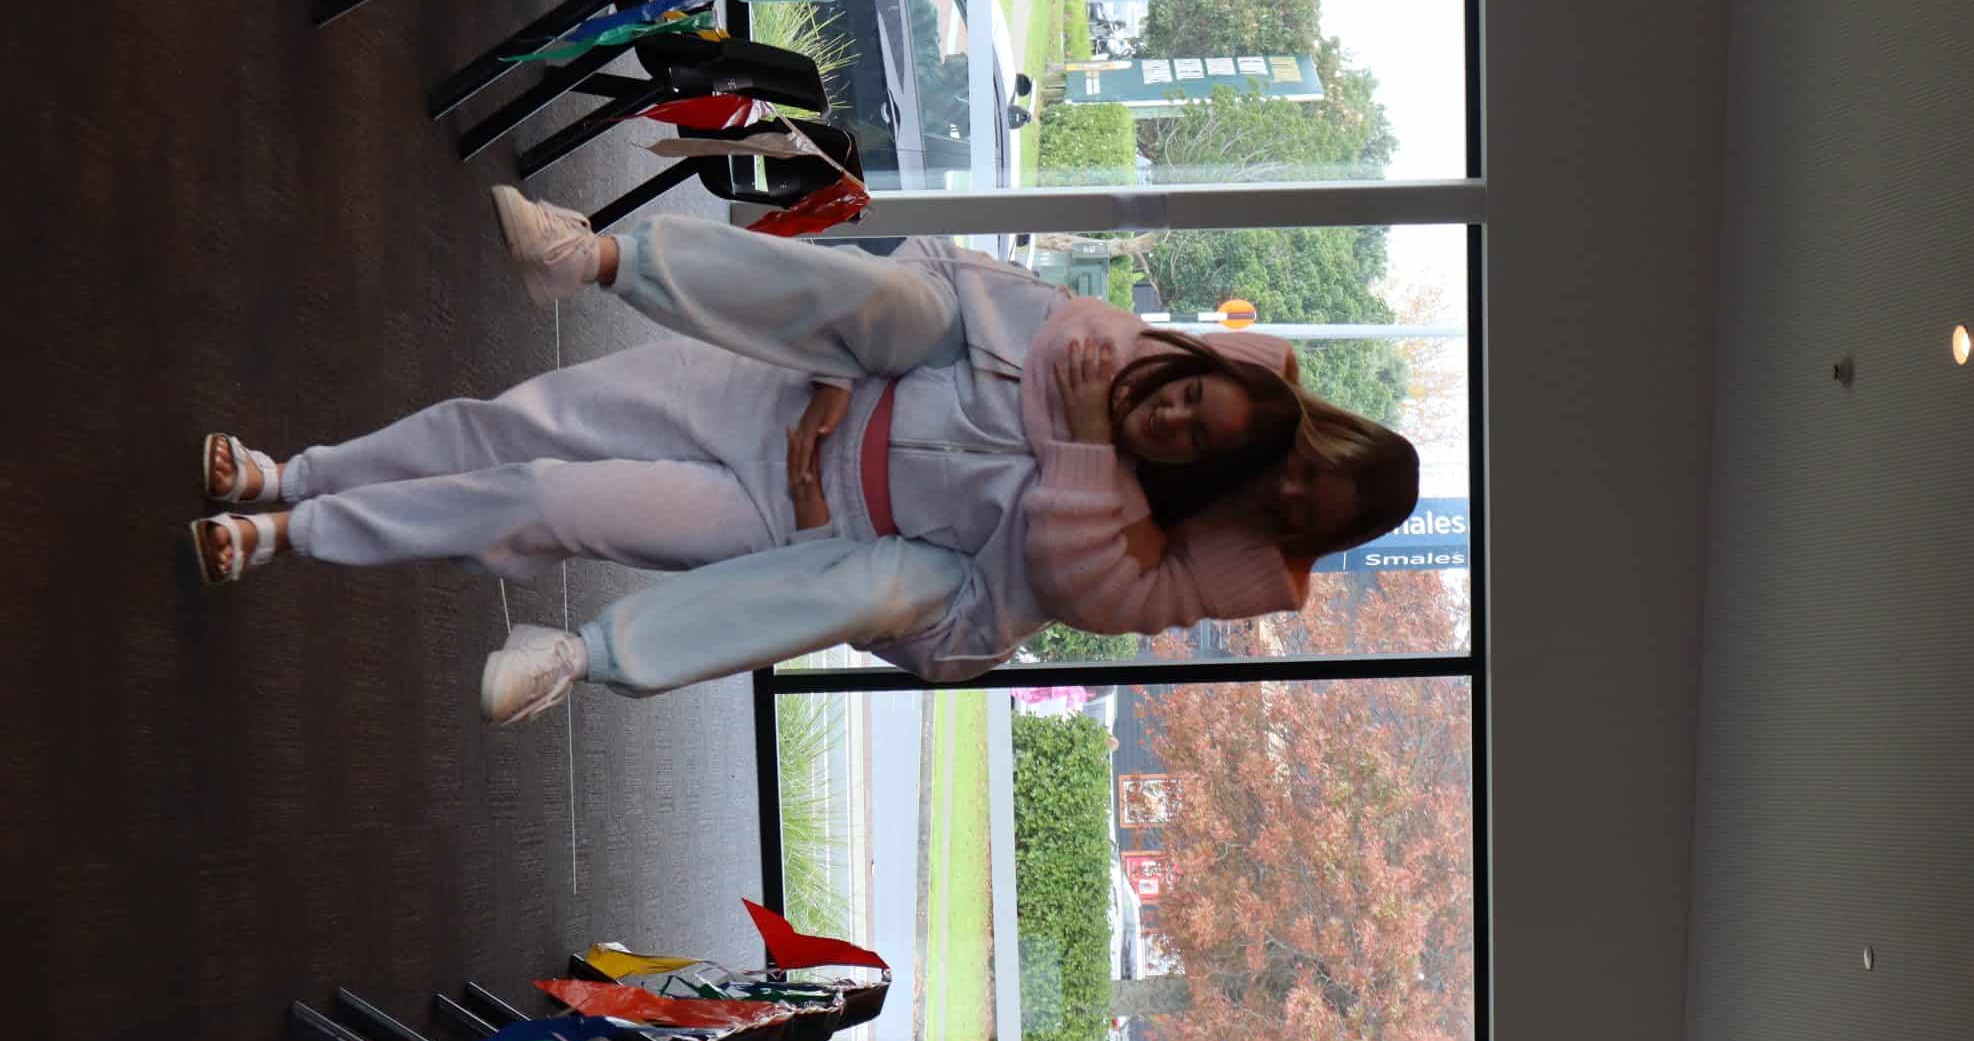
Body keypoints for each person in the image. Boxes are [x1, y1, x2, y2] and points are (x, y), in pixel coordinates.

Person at [193, 199, 1419, 723]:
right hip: (780, 398)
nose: (1175, 425)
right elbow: (934, 281)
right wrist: (837, 378)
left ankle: (303, 539)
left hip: (787, 524)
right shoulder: (1089, 346)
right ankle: (300, 471)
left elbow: (979, 608)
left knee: (546, 496)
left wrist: (1088, 454)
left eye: (1200, 442)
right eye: (1186, 401)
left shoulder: (1128, 546)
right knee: (515, 424)